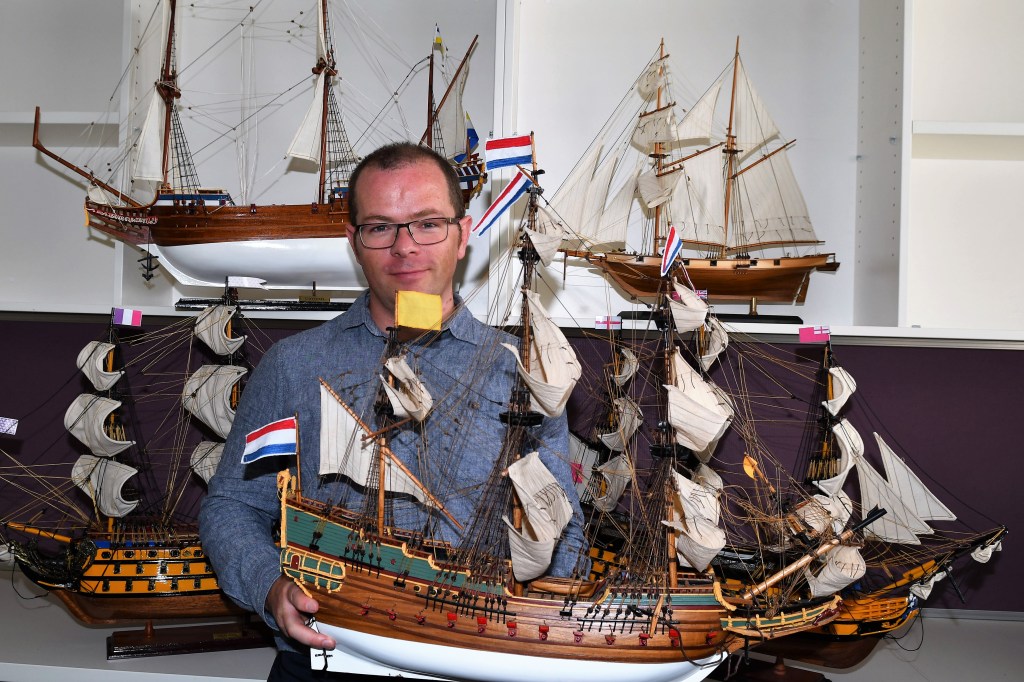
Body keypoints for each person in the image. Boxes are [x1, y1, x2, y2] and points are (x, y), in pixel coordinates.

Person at [199, 142, 588, 681]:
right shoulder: (295, 365)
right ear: (354, 242)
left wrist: (541, 619)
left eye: (428, 223)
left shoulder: (522, 370)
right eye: (381, 227)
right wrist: (271, 585)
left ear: (463, 233)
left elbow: (562, 523)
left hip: (485, 654)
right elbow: (234, 507)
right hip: (333, 656)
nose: (405, 248)